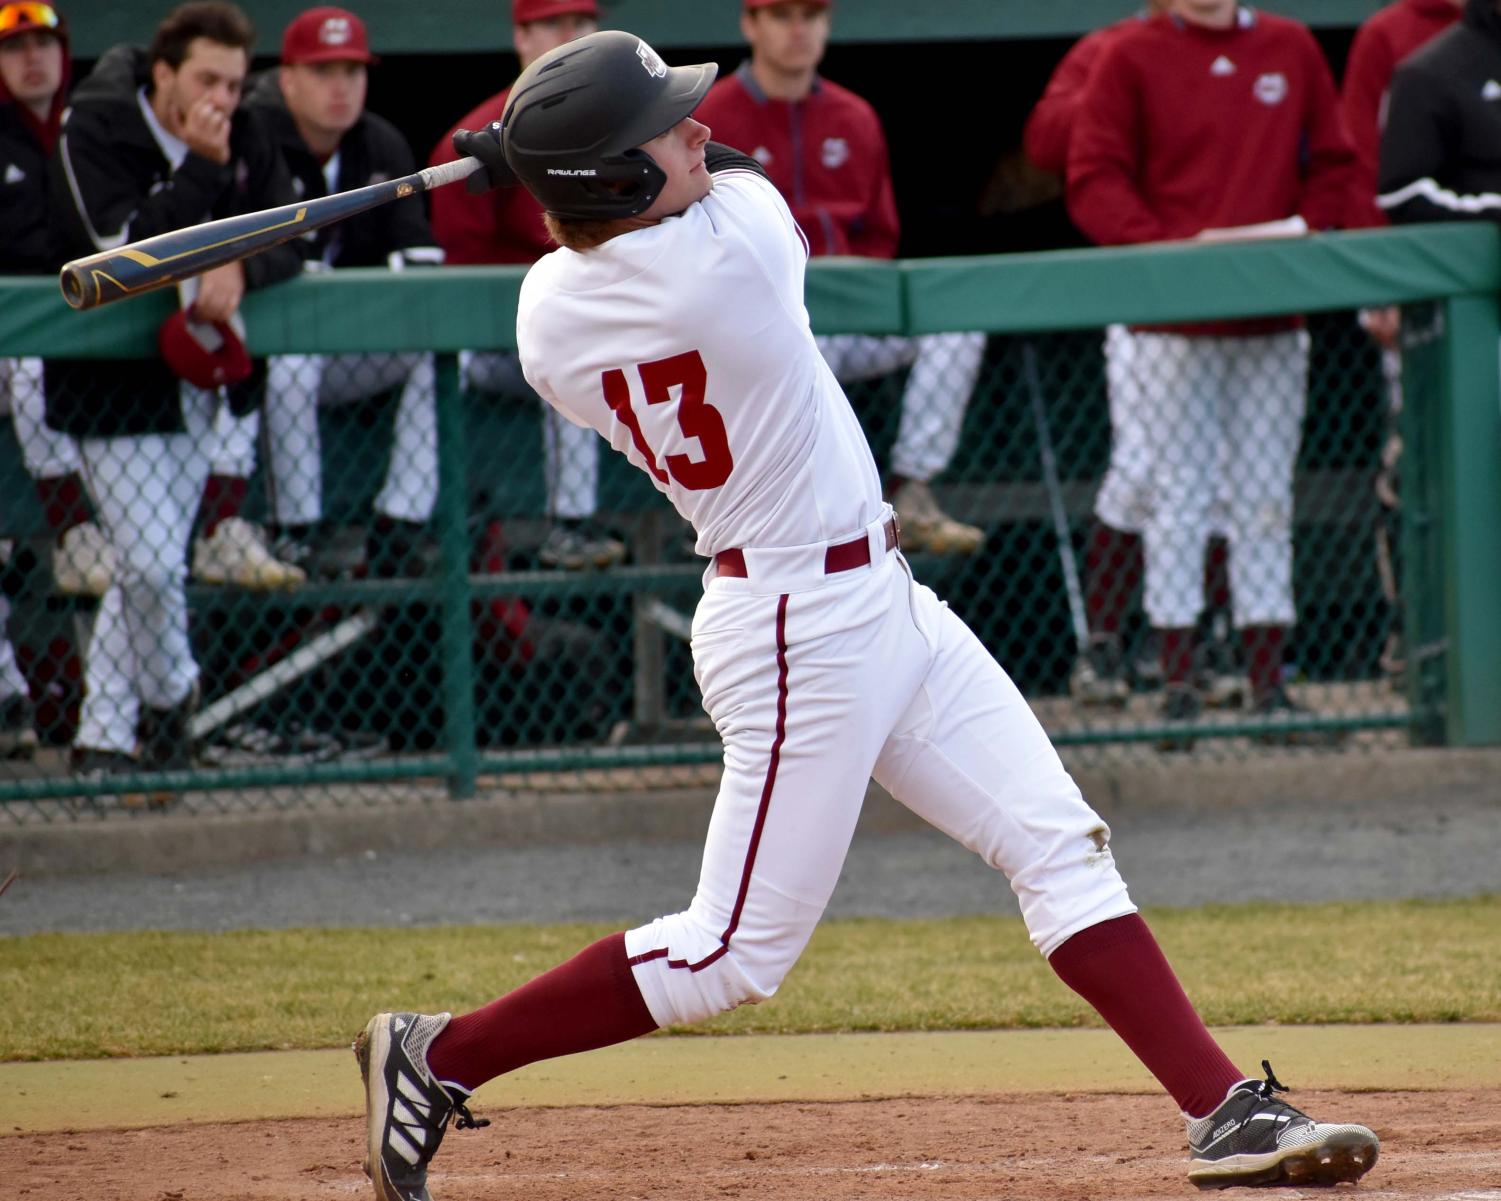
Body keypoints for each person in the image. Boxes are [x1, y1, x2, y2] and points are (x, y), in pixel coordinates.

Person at [351, 30, 1380, 1201]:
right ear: (616, 180)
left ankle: (1221, 1109)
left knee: (1056, 839)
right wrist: (548, 149)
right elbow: (726, 170)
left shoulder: (547, 318)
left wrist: (549, 153)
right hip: (798, 628)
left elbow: (624, 209)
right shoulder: (733, 253)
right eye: (665, 127)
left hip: (876, 598)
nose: (699, 126)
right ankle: (438, 1055)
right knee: (731, 953)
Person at [1066, 0, 1356, 741]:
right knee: (1176, 496)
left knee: (1263, 498)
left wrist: (1301, 242)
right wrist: (1167, 256)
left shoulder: (1289, 44)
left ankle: (1265, 686)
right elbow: (1093, 177)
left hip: (1268, 315)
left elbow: (1333, 165)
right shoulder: (1127, 51)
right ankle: (1178, 684)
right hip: (1168, 322)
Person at [45, 0, 304, 776]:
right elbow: (116, 253)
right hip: (108, 381)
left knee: (144, 565)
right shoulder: (94, 123)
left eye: (232, 79)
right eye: (204, 79)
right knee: (154, 564)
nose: (221, 97)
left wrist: (241, 264)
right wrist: (197, 168)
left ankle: (103, 739)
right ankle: (174, 690)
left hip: (197, 375)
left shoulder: (247, 127)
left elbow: (294, 230)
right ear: (163, 75)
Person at [693, 0, 987, 556]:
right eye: (781, 15)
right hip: (762, 323)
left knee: (957, 327)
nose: (799, 29)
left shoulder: (854, 116)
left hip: (849, 316)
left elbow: (880, 234)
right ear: (749, 25)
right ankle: (741, 510)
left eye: (812, 14)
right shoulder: (711, 117)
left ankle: (913, 489)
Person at [1021, 0, 1250, 710]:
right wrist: (1131, 83)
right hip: (1147, 294)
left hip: (1236, 292)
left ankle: (1193, 636)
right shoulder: (1111, 48)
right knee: (1145, 470)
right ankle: (1106, 642)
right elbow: (1044, 144)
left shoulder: (1250, 48)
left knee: (1222, 478)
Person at [427, 0, 626, 571]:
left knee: (583, 341)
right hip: (496, 338)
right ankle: (413, 519)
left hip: (602, 325)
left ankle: (572, 524)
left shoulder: (630, 127)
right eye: (553, 23)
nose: (570, 36)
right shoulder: (474, 142)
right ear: (520, 38)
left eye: (583, 23)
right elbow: (456, 269)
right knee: (444, 358)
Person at [247, 5, 443, 579]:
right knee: (292, 366)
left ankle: (399, 524)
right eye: (323, 71)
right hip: (267, 350)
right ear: (287, 79)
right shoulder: (255, 138)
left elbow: (420, 256)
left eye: (352, 72)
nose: (341, 87)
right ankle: (296, 530)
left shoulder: (379, 143)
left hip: (350, 343)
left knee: (435, 355)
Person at [1340, 0, 1461, 686]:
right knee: (1416, 466)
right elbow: (1362, 163)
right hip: (1416, 295)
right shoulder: (1390, 33)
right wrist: (1376, 284)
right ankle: (1413, 633)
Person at [0, 0, 116, 609]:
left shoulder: (87, 132)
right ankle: (73, 528)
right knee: (27, 369)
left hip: (82, 324)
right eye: (15, 48)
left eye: (42, 44)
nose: (31, 58)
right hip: (12, 337)